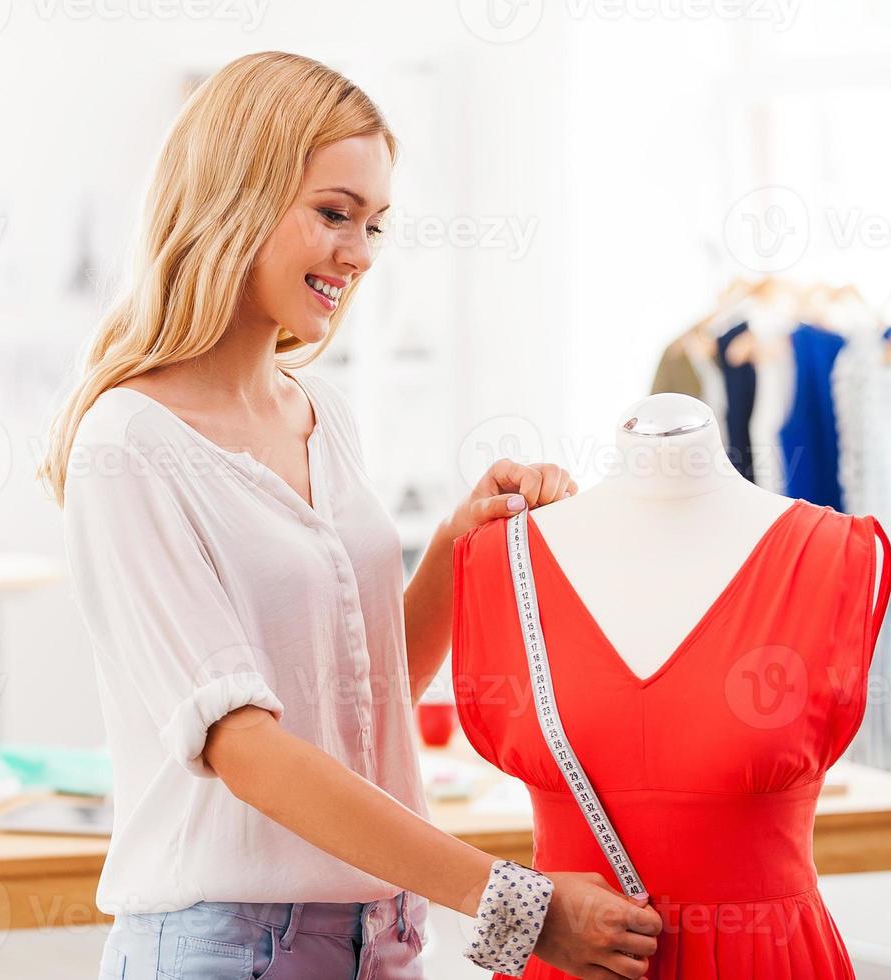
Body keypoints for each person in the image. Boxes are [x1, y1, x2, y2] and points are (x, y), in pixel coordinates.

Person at [40, 50, 662, 980]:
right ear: (233, 197)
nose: (361, 253)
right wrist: (518, 907)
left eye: (374, 224)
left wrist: (460, 543)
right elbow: (245, 748)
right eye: (333, 214)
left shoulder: (322, 415)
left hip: (377, 940)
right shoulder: (128, 443)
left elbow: (360, 700)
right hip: (224, 946)